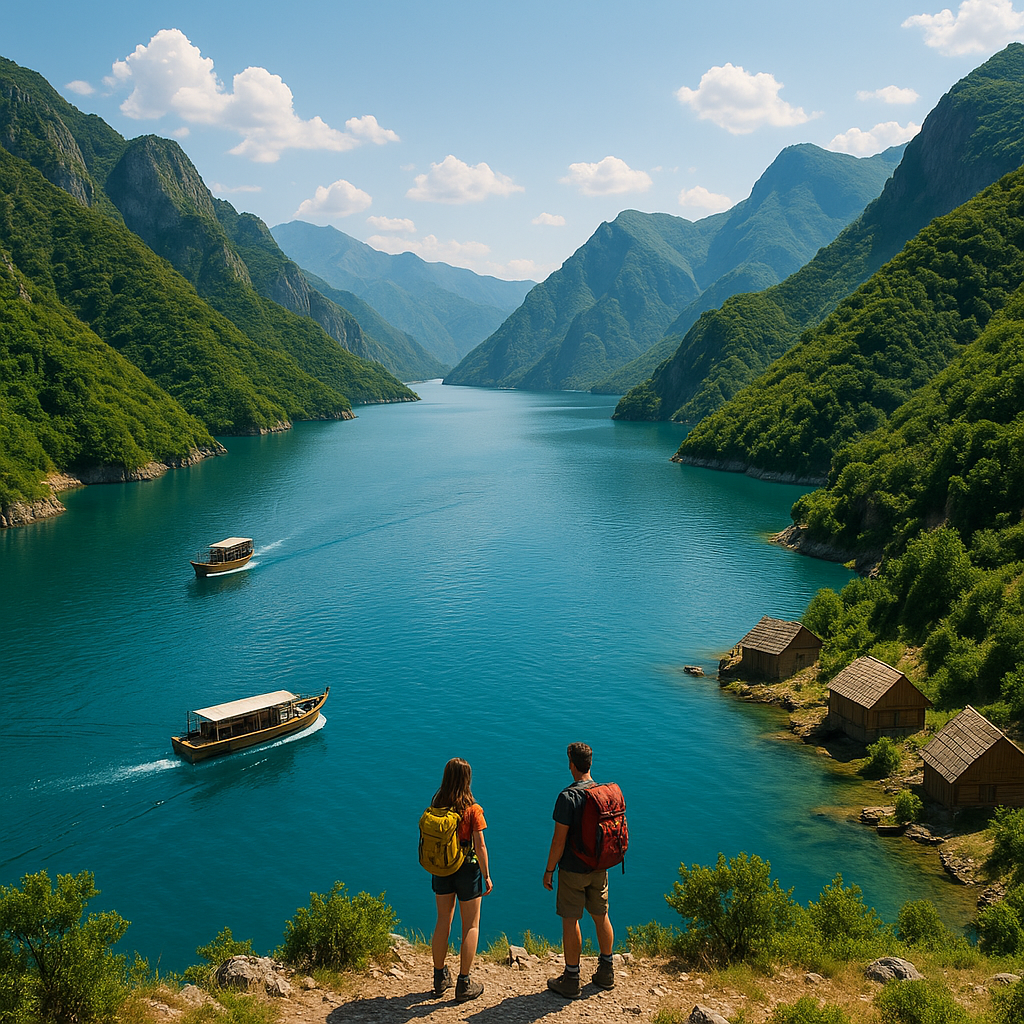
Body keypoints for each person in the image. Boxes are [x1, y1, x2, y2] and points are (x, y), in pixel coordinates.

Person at [542, 742, 616, 998]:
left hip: (573, 869)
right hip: (600, 866)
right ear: (590, 764)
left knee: (570, 919)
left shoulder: (567, 797)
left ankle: (571, 979)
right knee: (601, 915)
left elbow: (558, 841)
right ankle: (606, 971)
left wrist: (549, 870)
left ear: (571, 763)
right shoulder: (604, 793)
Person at [428, 757, 492, 1002]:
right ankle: (463, 983)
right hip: (468, 869)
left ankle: (438, 978)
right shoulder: (473, 810)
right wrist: (486, 875)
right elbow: (481, 845)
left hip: (442, 868)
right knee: (471, 925)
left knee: (443, 920)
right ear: (467, 779)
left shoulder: (437, 804)